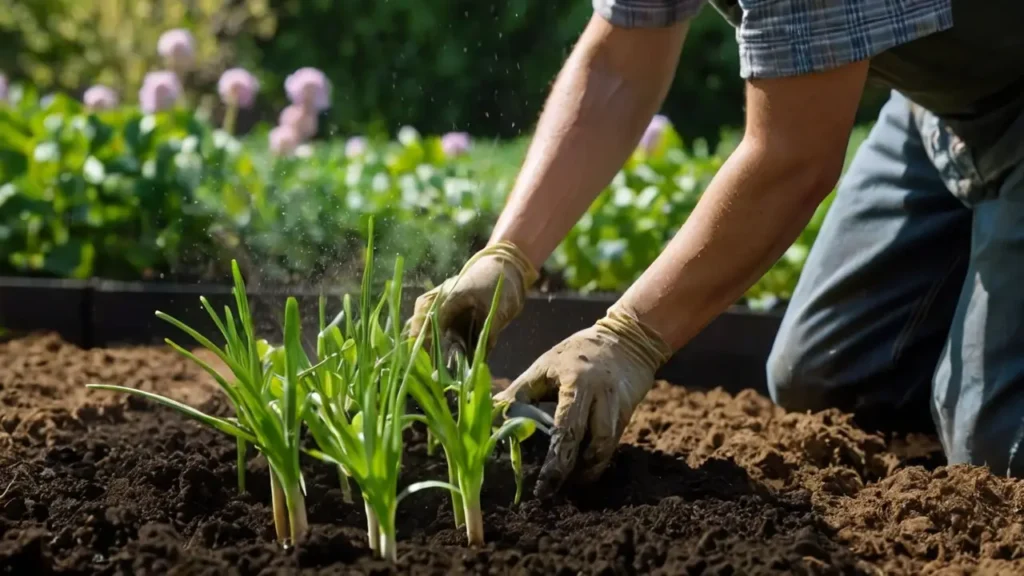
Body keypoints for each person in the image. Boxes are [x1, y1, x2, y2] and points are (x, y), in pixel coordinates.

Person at [408, 0, 1024, 498]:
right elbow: (619, 63)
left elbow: (794, 155)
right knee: (828, 375)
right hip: (942, 107)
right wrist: (506, 256)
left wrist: (627, 338)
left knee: (998, 443)